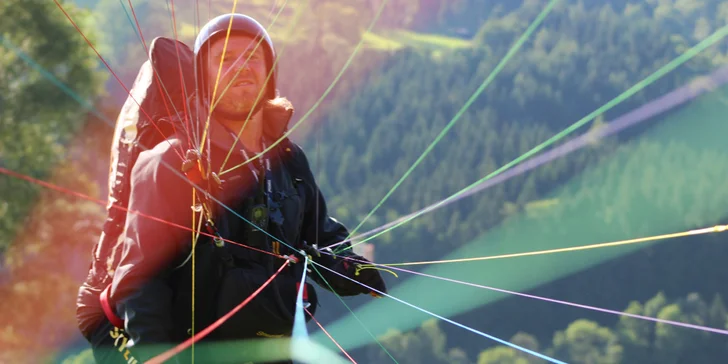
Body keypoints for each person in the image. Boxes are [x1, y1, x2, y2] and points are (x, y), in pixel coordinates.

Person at [76, 13, 386, 364]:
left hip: (249, 336)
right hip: (152, 334)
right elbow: (140, 280)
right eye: (224, 59)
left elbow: (317, 234)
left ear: (269, 74)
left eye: (253, 57)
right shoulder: (170, 162)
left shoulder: (287, 160)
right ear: (202, 79)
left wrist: (351, 267)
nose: (241, 66)